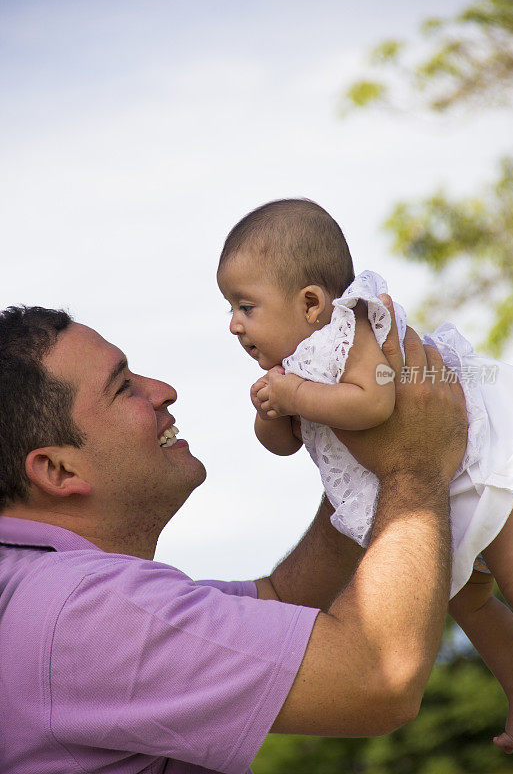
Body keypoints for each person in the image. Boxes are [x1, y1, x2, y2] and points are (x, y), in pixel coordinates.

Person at [0, 303, 465, 774]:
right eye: (123, 387)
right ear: (57, 470)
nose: (164, 391)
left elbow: (286, 598)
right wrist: (413, 466)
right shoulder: (81, 609)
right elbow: (378, 677)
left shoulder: (41, 592)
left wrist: (350, 458)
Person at [217, 197, 513, 754]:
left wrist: (295, 394)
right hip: (438, 497)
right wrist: (274, 414)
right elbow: (287, 447)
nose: (234, 324)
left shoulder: (348, 330)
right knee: (468, 601)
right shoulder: (291, 368)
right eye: (229, 308)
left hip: (478, 465)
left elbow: (373, 403)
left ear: (311, 302)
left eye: (245, 306)